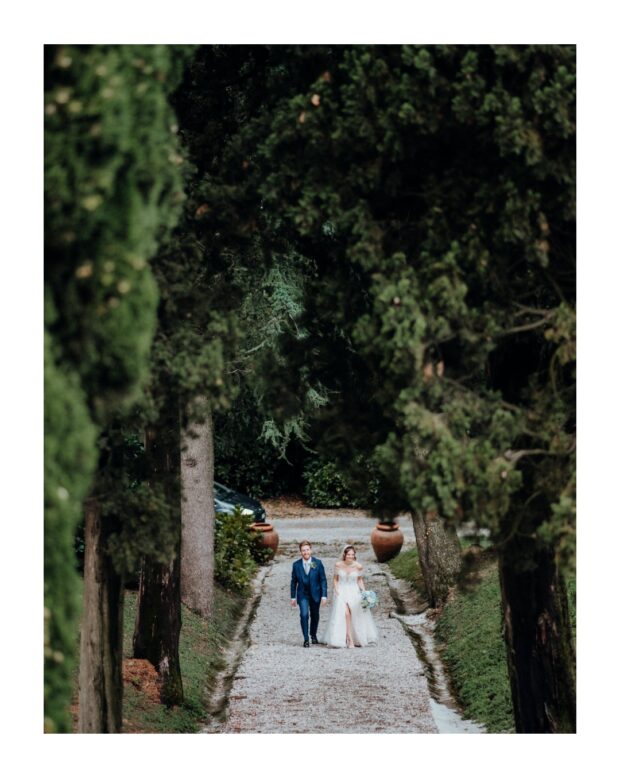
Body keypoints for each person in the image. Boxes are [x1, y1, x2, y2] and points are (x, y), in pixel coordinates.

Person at [323, 545, 378, 648]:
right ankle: (349, 638)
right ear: (344, 555)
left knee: (354, 614)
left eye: (352, 555)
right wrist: (336, 589)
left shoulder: (358, 566)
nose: (350, 556)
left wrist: (364, 591)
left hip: (354, 591)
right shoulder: (338, 565)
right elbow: (335, 579)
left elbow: (359, 579)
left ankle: (355, 636)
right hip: (341, 590)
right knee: (346, 614)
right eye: (348, 554)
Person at [290, 540, 328, 647]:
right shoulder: (296, 565)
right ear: (300, 552)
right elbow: (293, 581)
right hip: (302, 594)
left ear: (310, 550)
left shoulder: (317, 563)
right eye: (303, 550)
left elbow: (323, 580)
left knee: (315, 615)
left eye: (307, 550)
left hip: (315, 593)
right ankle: (306, 639)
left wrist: (324, 595)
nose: (305, 552)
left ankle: (313, 635)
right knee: (304, 614)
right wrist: (293, 597)